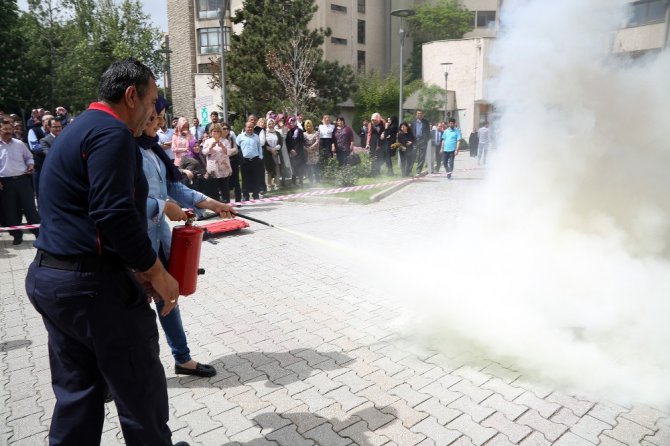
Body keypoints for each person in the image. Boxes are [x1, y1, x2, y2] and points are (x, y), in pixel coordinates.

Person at [25, 58, 189, 446]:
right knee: (139, 393)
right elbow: (113, 213)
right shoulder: (112, 134)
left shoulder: (80, 128)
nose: (154, 113)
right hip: (94, 289)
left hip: (56, 281)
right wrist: (155, 272)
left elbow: (88, 217)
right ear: (131, 96)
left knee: (78, 393)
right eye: (151, 103)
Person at [137, 97, 233, 379]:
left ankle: (182, 358)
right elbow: (121, 203)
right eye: (156, 117)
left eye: (163, 117)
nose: (161, 123)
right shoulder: (125, 152)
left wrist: (213, 204)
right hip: (134, 247)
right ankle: (117, 373)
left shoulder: (153, 151)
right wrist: (164, 206)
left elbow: (174, 188)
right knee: (132, 313)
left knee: (168, 297)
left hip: (158, 239)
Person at [0, 117, 40, 245]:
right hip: (5, 183)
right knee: (10, 210)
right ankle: (16, 235)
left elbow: (29, 157)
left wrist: (30, 164)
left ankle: (38, 232)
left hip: (23, 180)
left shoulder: (19, 144)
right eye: (5, 129)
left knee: (30, 208)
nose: (8, 131)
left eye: (10, 128)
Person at [201, 123, 233, 202]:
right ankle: (216, 206)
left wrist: (223, 147)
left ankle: (227, 205)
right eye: (214, 131)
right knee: (214, 189)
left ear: (220, 132)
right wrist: (210, 147)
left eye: (218, 131)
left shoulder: (225, 141)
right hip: (213, 169)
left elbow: (229, 153)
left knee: (225, 188)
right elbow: (204, 152)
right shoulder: (208, 141)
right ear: (211, 132)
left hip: (224, 168)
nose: (215, 133)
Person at [35, 117, 63, 199]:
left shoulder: (66, 137)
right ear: (49, 127)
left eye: (59, 127)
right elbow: (50, 155)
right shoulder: (44, 140)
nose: (58, 129)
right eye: (55, 127)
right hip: (55, 172)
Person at [236, 121, 263, 200]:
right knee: (245, 179)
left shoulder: (256, 137)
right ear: (245, 127)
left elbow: (259, 147)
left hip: (255, 160)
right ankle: (245, 196)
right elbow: (237, 148)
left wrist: (260, 157)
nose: (250, 128)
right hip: (244, 161)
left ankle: (255, 195)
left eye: (251, 127)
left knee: (256, 178)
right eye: (248, 127)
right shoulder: (240, 137)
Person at [263, 118, 282, 191]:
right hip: (268, 154)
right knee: (268, 170)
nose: (271, 125)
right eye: (269, 124)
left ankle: (277, 185)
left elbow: (281, 143)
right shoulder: (265, 133)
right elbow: (263, 144)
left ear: (274, 124)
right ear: (267, 125)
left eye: (272, 124)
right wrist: (271, 150)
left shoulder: (277, 133)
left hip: (276, 153)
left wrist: (275, 149)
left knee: (277, 168)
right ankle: (269, 186)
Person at [285, 116, 305, 186]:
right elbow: (287, 142)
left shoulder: (299, 131)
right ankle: (293, 182)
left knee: (300, 167)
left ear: (295, 122)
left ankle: (301, 182)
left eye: (293, 122)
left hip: (299, 153)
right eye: (290, 122)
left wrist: (296, 150)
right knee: (293, 167)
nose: (292, 123)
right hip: (292, 153)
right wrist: (291, 150)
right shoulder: (289, 132)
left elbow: (301, 142)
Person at [412, 110, 430, 175]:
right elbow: (412, 131)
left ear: (422, 115)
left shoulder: (426, 122)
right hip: (415, 140)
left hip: (423, 140)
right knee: (413, 154)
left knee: (422, 156)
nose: (419, 115)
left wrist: (427, 140)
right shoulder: (413, 122)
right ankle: (410, 168)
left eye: (421, 114)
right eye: (418, 114)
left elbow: (428, 132)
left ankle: (419, 169)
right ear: (416, 115)